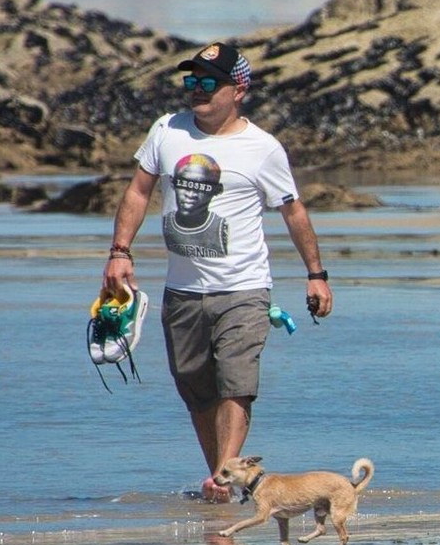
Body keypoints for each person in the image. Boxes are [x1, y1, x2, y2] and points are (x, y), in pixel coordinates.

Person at [101, 42, 333, 502]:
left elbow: (293, 211)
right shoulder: (167, 130)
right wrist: (119, 251)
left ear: (238, 89)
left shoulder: (262, 148)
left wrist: (316, 273)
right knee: (196, 390)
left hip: (243, 289)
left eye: (208, 83)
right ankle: (220, 479)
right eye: (191, 81)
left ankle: (225, 474)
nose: (197, 91)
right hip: (182, 291)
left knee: (237, 384)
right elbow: (138, 192)